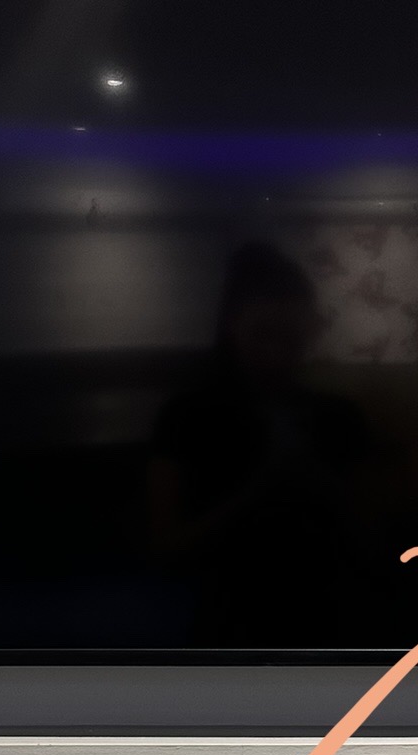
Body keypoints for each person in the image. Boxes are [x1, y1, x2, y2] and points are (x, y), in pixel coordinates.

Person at [147, 243, 386, 645]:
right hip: (228, 625)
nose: (276, 354)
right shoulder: (186, 417)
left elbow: (376, 544)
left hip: (325, 621)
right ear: (232, 326)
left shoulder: (340, 416)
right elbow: (164, 550)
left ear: (308, 331)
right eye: (263, 335)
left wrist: (317, 484)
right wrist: (257, 493)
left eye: (290, 338)